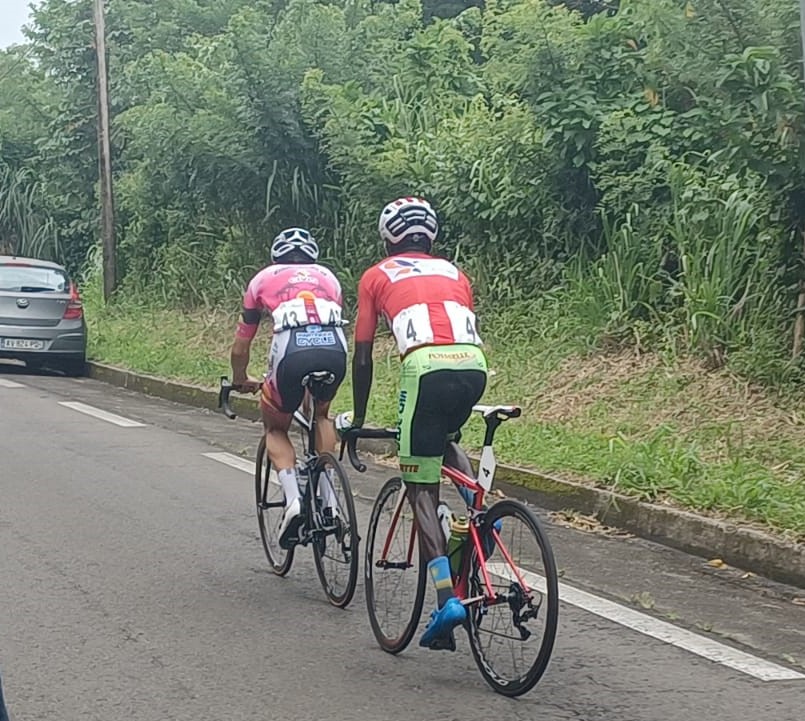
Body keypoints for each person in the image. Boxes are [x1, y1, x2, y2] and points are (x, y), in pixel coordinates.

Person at [337, 197, 488, 650]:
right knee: (445, 437)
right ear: (431, 237)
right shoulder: (456, 273)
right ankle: (479, 513)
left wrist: (358, 419)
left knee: (420, 486)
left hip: (424, 368)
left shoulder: (375, 276)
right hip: (473, 365)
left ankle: (446, 601)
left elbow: (362, 354)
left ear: (388, 239)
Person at [230, 227, 348, 548]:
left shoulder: (261, 279)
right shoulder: (329, 277)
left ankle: (294, 499)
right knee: (321, 415)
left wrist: (240, 378)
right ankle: (329, 499)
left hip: (291, 349)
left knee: (275, 426)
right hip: (334, 347)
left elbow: (241, 347)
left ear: (275, 257)